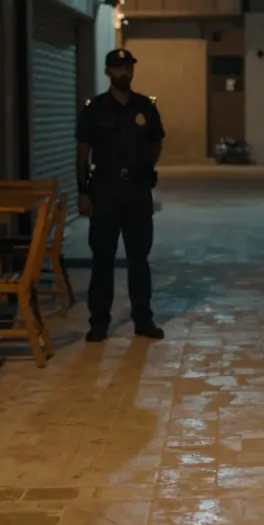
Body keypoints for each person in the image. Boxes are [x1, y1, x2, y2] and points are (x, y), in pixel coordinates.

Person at [75, 48, 166, 343]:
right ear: (108, 72)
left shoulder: (145, 106)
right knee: (103, 258)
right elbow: (83, 153)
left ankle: (143, 318)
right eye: (117, 68)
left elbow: (156, 140)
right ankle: (99, 321)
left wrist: (147, 167)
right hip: (105, 189)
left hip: (137, 191)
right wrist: (83, 191)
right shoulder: (95, 109)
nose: (123, 72)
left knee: (139, 257)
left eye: (127, 67)